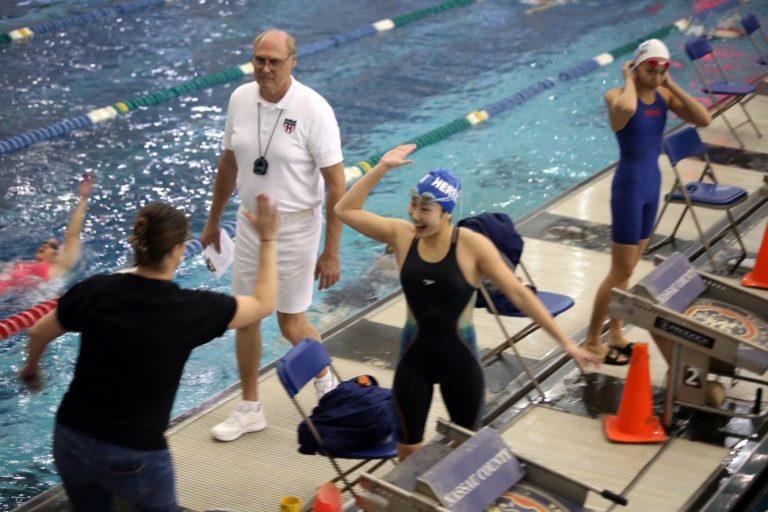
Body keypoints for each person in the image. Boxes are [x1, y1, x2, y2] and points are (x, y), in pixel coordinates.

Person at [334, 144, 602, 460]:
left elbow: (518, 294)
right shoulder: (403, 235)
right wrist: (382, 168)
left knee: (468, 452)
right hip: (413, 360)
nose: (415, 214)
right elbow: (344, 210)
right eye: (413, 204)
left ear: (447, 213)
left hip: (459, 361)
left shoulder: (472, 246)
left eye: (425, 208)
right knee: (407, 449)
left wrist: (566, 343)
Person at [18, 194, 279, 511]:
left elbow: (38, 331)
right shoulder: (191, 308)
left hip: (70, 437)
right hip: (133, 453)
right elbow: (264, 303)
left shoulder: (96, 289)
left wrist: (31, 368)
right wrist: (268, 238)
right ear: (176, 252)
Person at [201, 28, 346, 442]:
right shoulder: (240, 99)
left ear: (293, 62)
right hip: (249, 222)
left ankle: (331, 392)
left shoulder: (314, 109)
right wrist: (214, 221)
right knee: (245, 315)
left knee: (291, 323)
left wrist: (331, 251)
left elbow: (336, 184)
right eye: (259, 59)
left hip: (297, 227)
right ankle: (250, 409)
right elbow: (229, 162)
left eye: (274, 61)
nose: (265, 68)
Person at [584, 39, 711, 365]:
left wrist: (673, 84)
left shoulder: (665, 96)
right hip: (628, 187)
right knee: (619, 270)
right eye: (650, 68)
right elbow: (626, 110)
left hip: (651, 186)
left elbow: (703, 119)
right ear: (637, 66)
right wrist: (628, 79)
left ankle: (615, 332)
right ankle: (591, 339)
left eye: (662, 69)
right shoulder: (616, 96)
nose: (656, 75)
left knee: (628, 269)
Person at [0, 174, 93, 294]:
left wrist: (84, 198)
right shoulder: (20, 263)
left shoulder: (56, 269)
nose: (44, 246)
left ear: (57, 255)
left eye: (52, 246)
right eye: (45, 243)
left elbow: (72, 236)